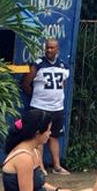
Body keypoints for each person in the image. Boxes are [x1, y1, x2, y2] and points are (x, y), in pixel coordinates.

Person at [2, 109, 91, 191]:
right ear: (38, 133)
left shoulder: (34, 151)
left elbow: (41, 183)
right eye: (48, 130)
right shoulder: (23, 157)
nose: (50, 134)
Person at [22, 38, 71, 175]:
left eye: (52, 48)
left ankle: (57, 166)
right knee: (39, 137)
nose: (49, 50)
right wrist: (36, 96)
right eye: (47, 48)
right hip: (40, 107)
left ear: (57, 49)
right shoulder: (38, 65)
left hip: (57, 107)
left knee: (54, 136)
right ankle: (40, 167)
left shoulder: (64, 66)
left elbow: (63, 85)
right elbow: (26, 84)